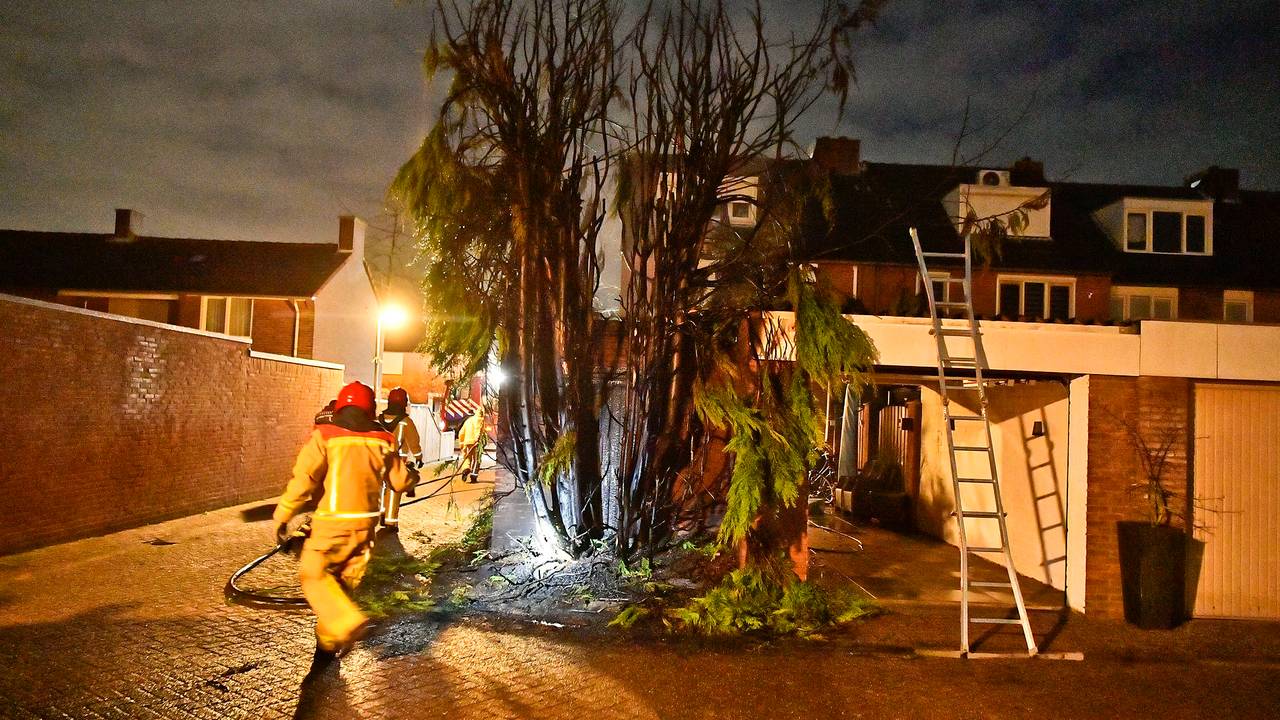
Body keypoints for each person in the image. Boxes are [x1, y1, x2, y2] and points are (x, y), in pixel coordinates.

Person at [272, 381, 414, 660]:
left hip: (332, 524)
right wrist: (413, 476)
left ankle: (348, 623)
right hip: (366, 529)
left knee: (313, 574)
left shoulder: (325, 436)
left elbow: (304, 480)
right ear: (370, 408)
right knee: (339, 588)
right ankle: (326, 646)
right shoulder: (382, 439)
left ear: (340, 405)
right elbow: (399, 480)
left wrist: (283, 515)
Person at [376, 387, 423, 530]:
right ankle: (390, 521)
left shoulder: (378, 419)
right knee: (394, 489)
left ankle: (381, 513)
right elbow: (414, 441)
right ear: (404, 403)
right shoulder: (405, 421)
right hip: (397, 462)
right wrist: (418, 457)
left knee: (380, 487)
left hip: (379, 459)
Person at [457, 403, 486, 483]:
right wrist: (477, 440)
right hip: (475, 443)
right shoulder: (480, 420)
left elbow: (461, 433)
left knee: (467, 458)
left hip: (467, 442)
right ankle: (473, 476)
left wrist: (462, 443)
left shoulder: (468, 420)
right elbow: (478, 430)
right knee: (477, 459)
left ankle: (465, 469)